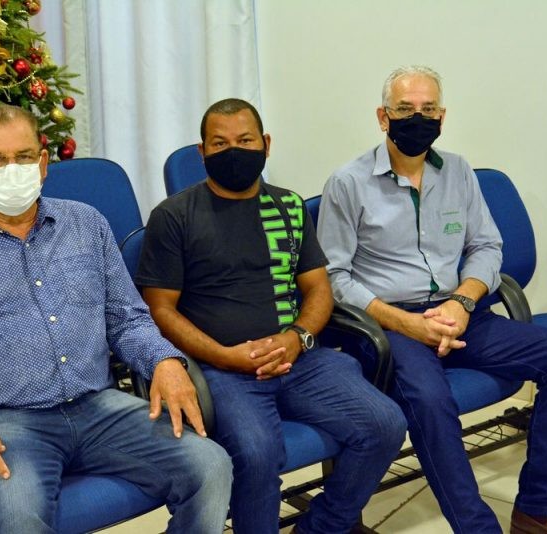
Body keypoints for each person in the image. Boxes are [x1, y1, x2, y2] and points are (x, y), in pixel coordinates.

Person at [0, 104, 232, 534]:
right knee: (20, 515)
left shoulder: (86, 224)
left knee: (210, 466)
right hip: (8, 421)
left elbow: (126, 319)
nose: (12, 169)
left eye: (24, 156)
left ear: (44, 162)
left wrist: (164, 360)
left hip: (99, 406)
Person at [318, 65, 547, 534]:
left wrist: (462, 303)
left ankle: (537, 508)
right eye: (405, 109)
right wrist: (405, 323)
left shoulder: (459, 171)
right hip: (388, 325)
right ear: (383, 117)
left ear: (442, 117)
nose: (418, 118)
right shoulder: (348, 182)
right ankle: (477, 528)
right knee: (430, 399)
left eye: (428, 109)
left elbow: (486, 246)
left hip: (458, 312)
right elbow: (333, 276)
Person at [137, 98, 407, 534]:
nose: (234, 151)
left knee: (385, 424)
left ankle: (322, 528)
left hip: (298, 359)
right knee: (257, 454)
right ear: (202, 152)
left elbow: (318, 288)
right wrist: (224, 356)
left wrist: (297, 338)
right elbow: (159, 309)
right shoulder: (173, 216)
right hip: (221, 370)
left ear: (266, 143)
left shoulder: (289, 206)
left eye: (245, 140)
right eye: (219, 143)